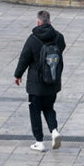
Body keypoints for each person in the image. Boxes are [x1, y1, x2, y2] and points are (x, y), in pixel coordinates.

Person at [13, 9, 66, 152]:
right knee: (49, 108)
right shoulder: (58, 37)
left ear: (38, 22)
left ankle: (39, 142)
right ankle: (54, 131)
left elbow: (24, 58)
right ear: (49, 21)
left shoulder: (32, 39)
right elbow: (61, 49)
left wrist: (18, 75)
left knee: (35, 111)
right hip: (52, 80)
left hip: (35, 84)